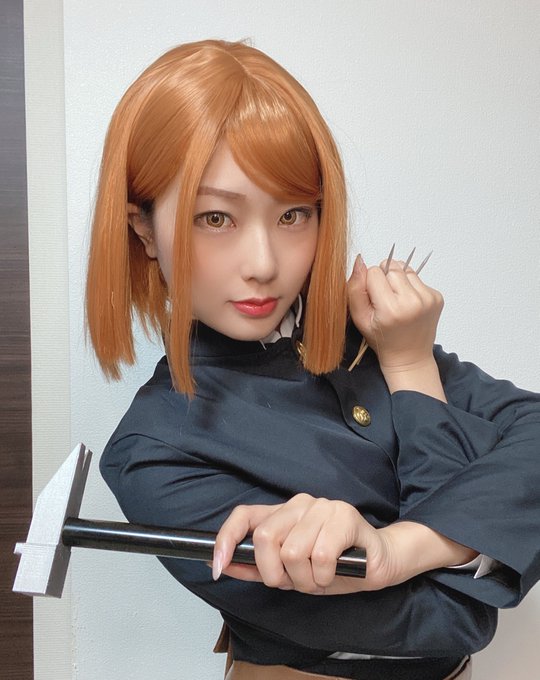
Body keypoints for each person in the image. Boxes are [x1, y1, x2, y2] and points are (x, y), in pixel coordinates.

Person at [87, 39, 540, 680]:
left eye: (293, 214)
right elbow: (446, 620)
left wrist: (397, 544)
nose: (264, 264)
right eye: (214, 218)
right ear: (143, 229)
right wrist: (420, 388)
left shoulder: (379, 340)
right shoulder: (155, 450)